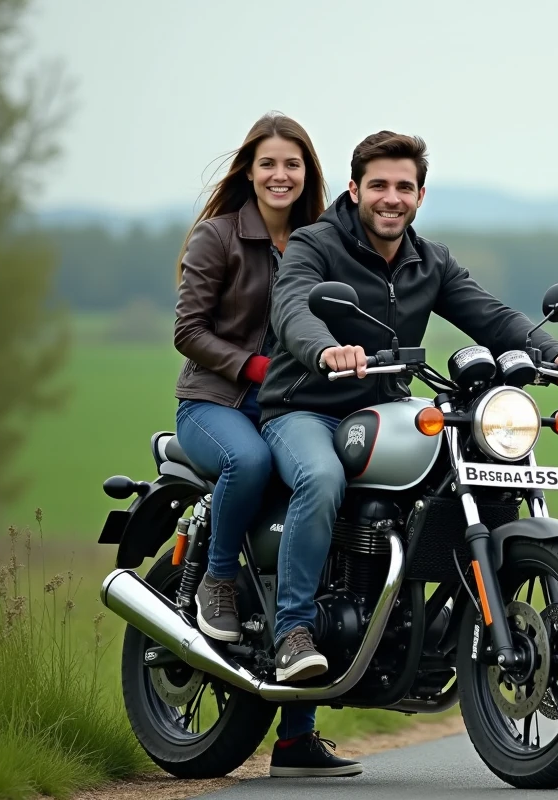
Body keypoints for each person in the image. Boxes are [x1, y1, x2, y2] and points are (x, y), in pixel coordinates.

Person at [254, 129, 558, 759]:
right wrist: (325, 348)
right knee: (322, 479)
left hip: (383, 410)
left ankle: (421, 626)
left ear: (420, 195)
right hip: (304, 408)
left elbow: (491, 316)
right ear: (355, 189)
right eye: (378, 185)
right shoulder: (314, 245)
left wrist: (552, 352)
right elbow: (294, 307)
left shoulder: (428, 261)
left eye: (403, 187)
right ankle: (294, 631)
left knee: (455, 468)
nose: (391, 197)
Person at [172, 112, 358, 778]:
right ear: (249, 171)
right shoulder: (218, 237)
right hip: (214, 402)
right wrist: (251, 368)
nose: (282, 176)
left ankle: (295, 736)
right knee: (248, 464)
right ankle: (218, 581)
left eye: (294, 165)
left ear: (309, 174)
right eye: (269, 164)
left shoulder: (320, 243)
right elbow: (188, 331)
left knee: (325, 522)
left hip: (290, 408)